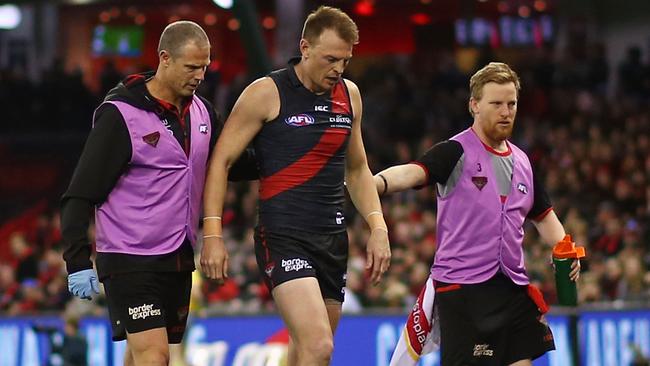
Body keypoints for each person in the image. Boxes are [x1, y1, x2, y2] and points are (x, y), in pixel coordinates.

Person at [202, 6, 390, 365]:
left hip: (332, 239)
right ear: (304, 47)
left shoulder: (349, 95)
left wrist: (377, 226)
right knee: (318, 345)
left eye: (346, 61)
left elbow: (358, 167)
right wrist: (212, 234)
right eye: (330, 59)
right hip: (283, 235)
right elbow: (220, 161)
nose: (338, 69)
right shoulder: (267, 93)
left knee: (307, 352)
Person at [61, 21, 256, 365]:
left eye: (205, 67)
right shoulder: (122, 116)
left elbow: (235, 164)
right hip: (129, 256)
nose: (199, 75)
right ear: (165, 58)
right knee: (155, 357)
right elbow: (80, 192)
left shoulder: (203, 112)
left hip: (177, 256)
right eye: (191, 67)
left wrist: (288, 152)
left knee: (139, 358)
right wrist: (77, 260)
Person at [375, 62, 581, 366]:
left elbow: (544, 215)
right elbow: (413, 173)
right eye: (496, 103)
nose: (506, 111)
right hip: (464, 292)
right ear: (474, 105)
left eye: (511, 103)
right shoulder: (454, 151)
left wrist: (566, 249)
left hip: (513, 287)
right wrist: (375, 184)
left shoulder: (523, 162)